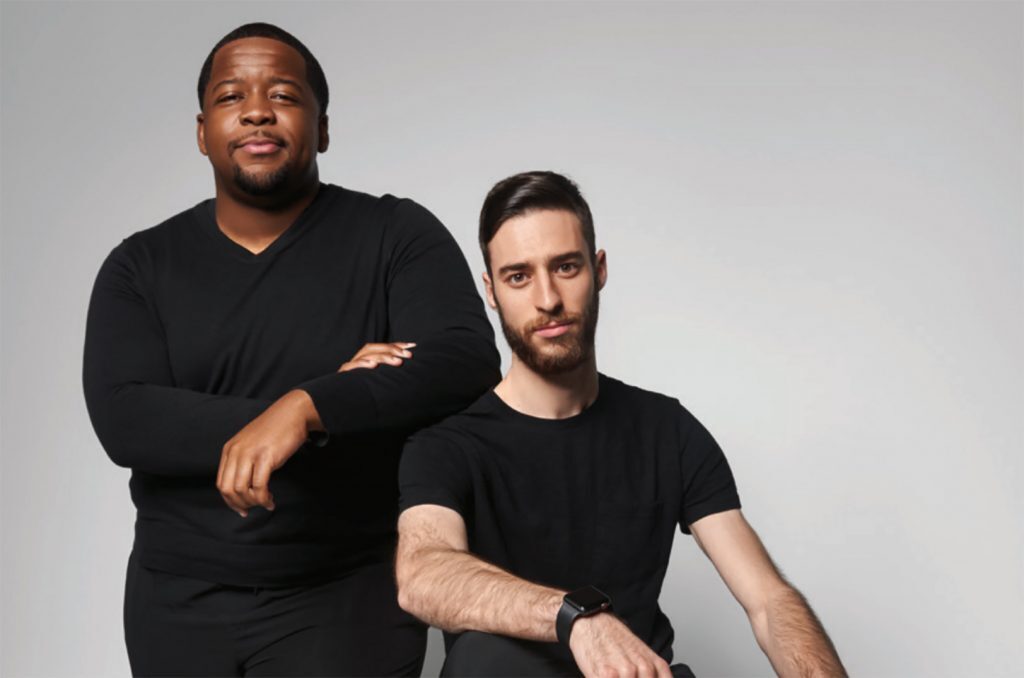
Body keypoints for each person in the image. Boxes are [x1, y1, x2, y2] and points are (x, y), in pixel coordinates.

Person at [82, 22, 499, 677]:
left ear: (322, 128)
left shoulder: (395, 234)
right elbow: (125, 416)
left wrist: (312, 406)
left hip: (345, 595)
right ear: (202, 132)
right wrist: (304, 408)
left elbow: (463, 361)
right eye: (231, 97)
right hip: (175, 602)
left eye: (282, 94)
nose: (256, 110)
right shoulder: (140, 265)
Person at [394, 171, 847, 677]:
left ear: (599, 268)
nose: (548, 299)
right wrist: (575, 618)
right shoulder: (446, 447)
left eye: (566, 267)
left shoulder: (667, 431)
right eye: (519, 276)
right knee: (480, 659)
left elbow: (768, 601)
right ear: (492, 291)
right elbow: (423, 575)